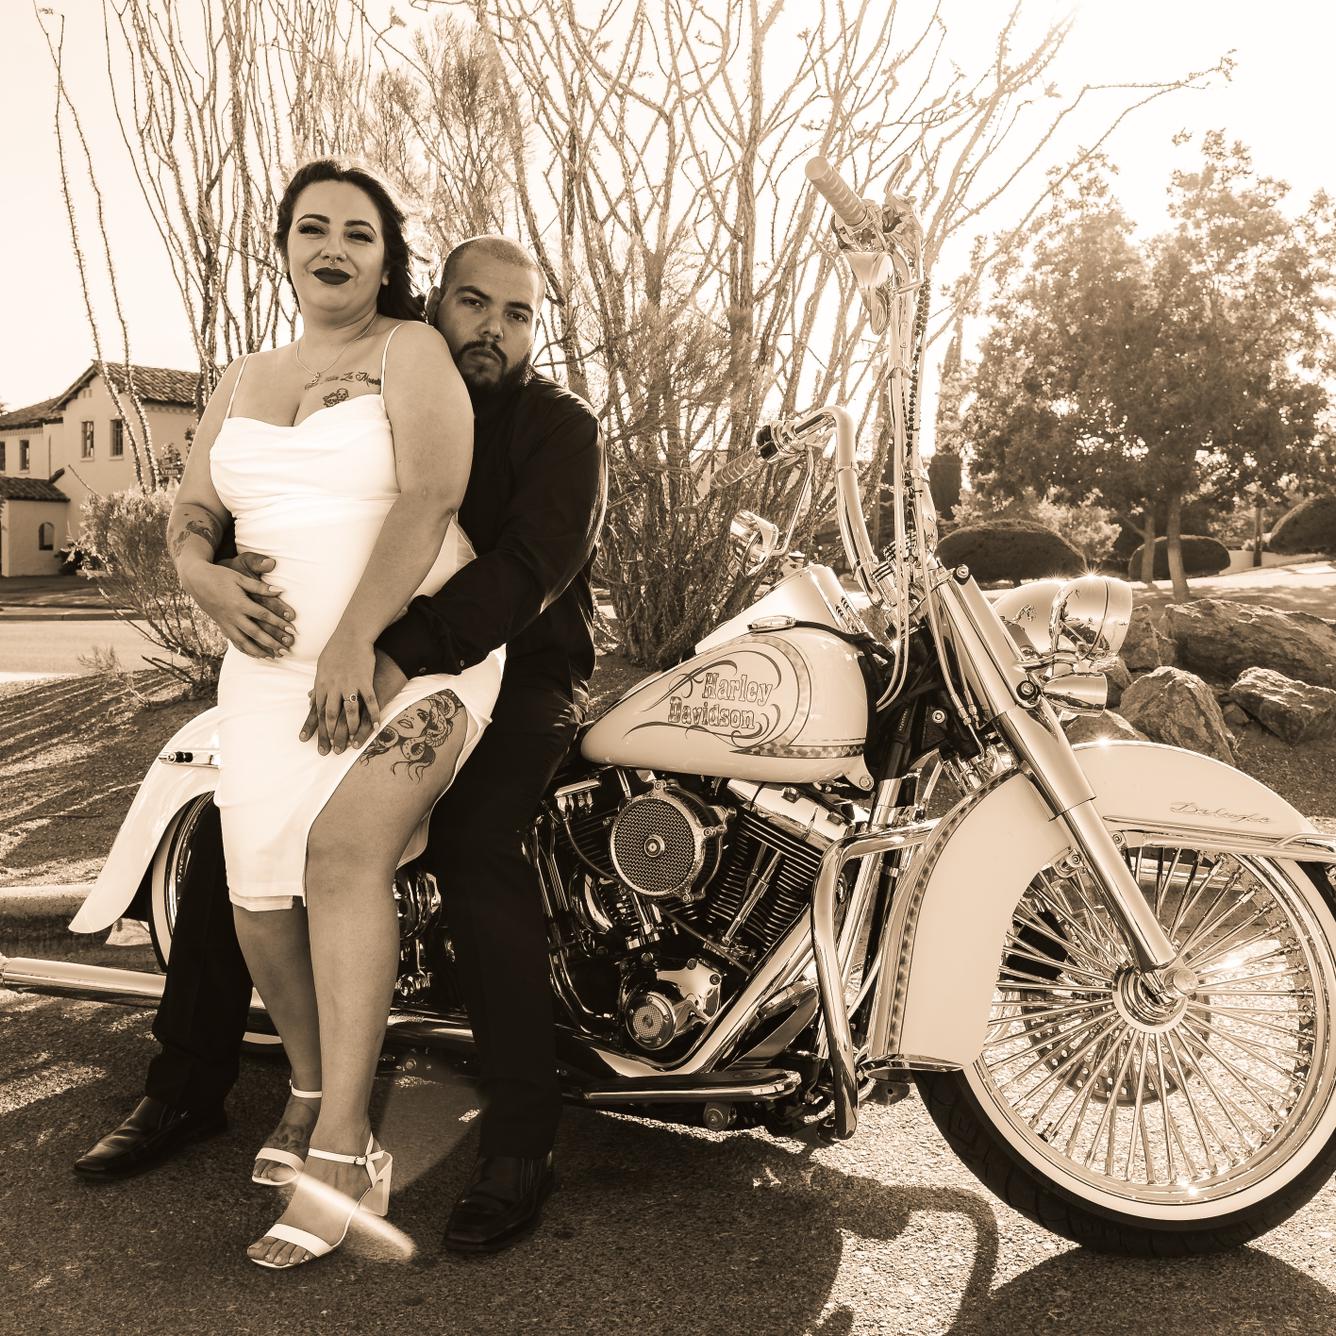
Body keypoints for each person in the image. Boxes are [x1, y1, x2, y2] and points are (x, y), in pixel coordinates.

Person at [73, 186, 606, 1260]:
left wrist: (386, 650)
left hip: (510, 670)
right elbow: (235, 506)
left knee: (475, 847)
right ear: (436, 300)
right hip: (313, 665)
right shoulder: (353, 369)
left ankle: (517, 1139)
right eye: (474, 302)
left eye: (518, 314)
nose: (493, 328)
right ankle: (190, 1084)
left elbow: (523, 571)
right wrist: (206, 570)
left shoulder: (554, 427)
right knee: (232, 847)